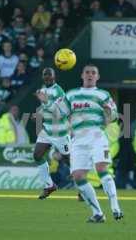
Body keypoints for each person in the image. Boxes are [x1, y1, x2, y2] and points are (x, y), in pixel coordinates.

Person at [37, 64, 123, 223]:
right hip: (78, 139)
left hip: (97, 135)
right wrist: (47, 102)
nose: (90, 75)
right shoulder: (71, 94)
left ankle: (115, 206)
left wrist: (109, 113)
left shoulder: (103, 95)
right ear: (82, 76)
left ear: (97, 77)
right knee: (78, 176)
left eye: (93, 73)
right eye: (87, 73)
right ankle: (98, 213)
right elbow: (57, 113)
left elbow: (114, 116)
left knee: (101, 168)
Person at [34, 67, 70, 200]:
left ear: (54, 76)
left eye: (49, 74)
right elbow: (46, 110)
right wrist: (38, 113)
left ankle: (82, 187)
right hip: (47, 130)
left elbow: (60, 113)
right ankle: (49, 185)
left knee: (69, 160)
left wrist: (45, 101)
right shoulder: (42, 90)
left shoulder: (59, 91)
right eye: (45, 74)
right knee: (37, 155)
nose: (47, 76)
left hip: (60, 132)